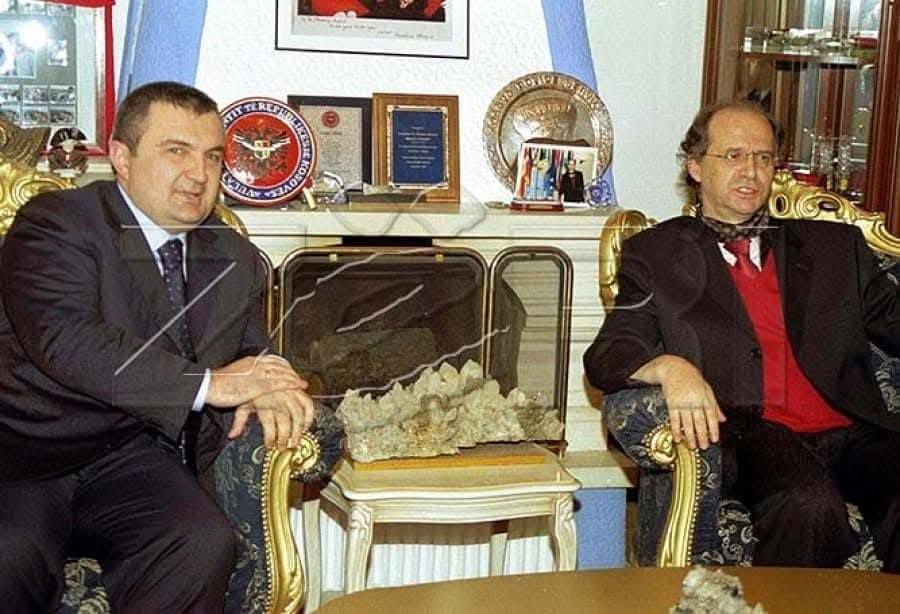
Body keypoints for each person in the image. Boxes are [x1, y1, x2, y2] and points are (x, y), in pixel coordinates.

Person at [0, 81, 315, 611]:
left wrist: (272, 380)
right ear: (122, 159)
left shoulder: (233, 255)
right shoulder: (58, 224)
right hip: (26, 454)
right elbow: (68, 341)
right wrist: (210, 384)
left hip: (129, 454)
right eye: (177, 151)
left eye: (212, 156)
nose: (199, 174)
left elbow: (253, 347)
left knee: (199, 541)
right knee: (10, 556)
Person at [584, 100, 900, 570]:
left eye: (763, 157)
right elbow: (609, 352)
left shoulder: (835, 248)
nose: (751, 170)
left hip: (849, 427)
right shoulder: (655, 255)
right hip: (748, 433)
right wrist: (670, 367)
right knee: (808, 504)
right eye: (733, 155)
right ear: (695, 167)